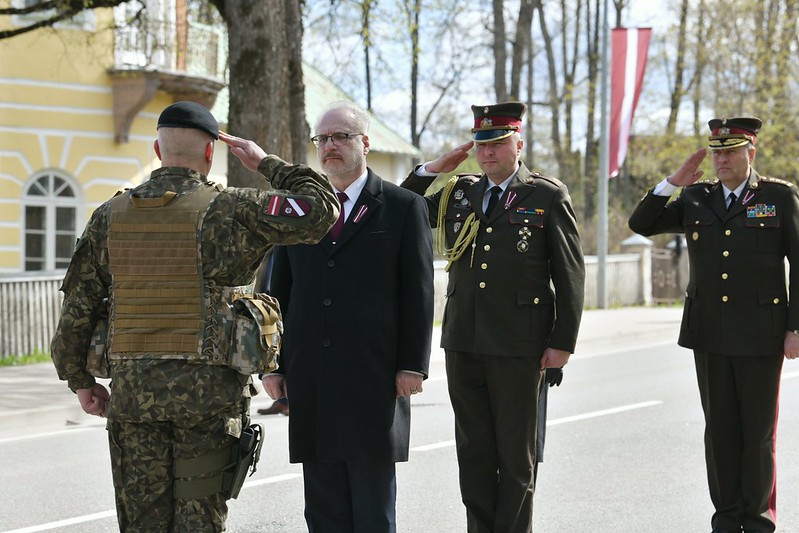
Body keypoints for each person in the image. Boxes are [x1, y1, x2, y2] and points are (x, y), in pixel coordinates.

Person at [50, 101, 338, 532]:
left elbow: (77, 309)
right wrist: (266, 163)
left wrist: (80, 380)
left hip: (134, 400)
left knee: (142, 524)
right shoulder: (235, 209)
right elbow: (322, 209)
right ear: (209, 152)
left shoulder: (109, 216)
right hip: (210, 402)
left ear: (157, 150)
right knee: (200, 523)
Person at [401, 101, 585, 532]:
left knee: (516, 456)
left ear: (519, 144)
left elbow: (570, 273)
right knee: (473, 452)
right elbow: (402, 208)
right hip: (464, 341)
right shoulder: (459, 191)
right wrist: (433, 169)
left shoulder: (546, 194)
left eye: (498, 143)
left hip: (520, 344)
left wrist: (562, 342)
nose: (488, 153)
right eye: (481, 144)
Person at [255, 101, 434, 532]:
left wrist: (412, 364)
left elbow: (418, 292)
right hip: (313, 378)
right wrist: (273, 365)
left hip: (375, 377)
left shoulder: (402, 206)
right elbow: (277, 292)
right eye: (322, 138)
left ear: (365, 143)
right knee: (323, 510)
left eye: (341, 136)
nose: (330, 146)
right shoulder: (300, 210)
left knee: (372, 510)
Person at [628, 117, 799, 533]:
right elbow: (642, 224)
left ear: (750, 153)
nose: (722, 160)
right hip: (709, 332)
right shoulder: (695, 197)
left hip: (761, 333)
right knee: (719, 431)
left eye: (731, 152)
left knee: (757, 434)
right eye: (717, 153)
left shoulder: (778, 197)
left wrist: (795, 328)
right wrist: (673, 182)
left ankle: (757, 520)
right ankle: (726, 518)